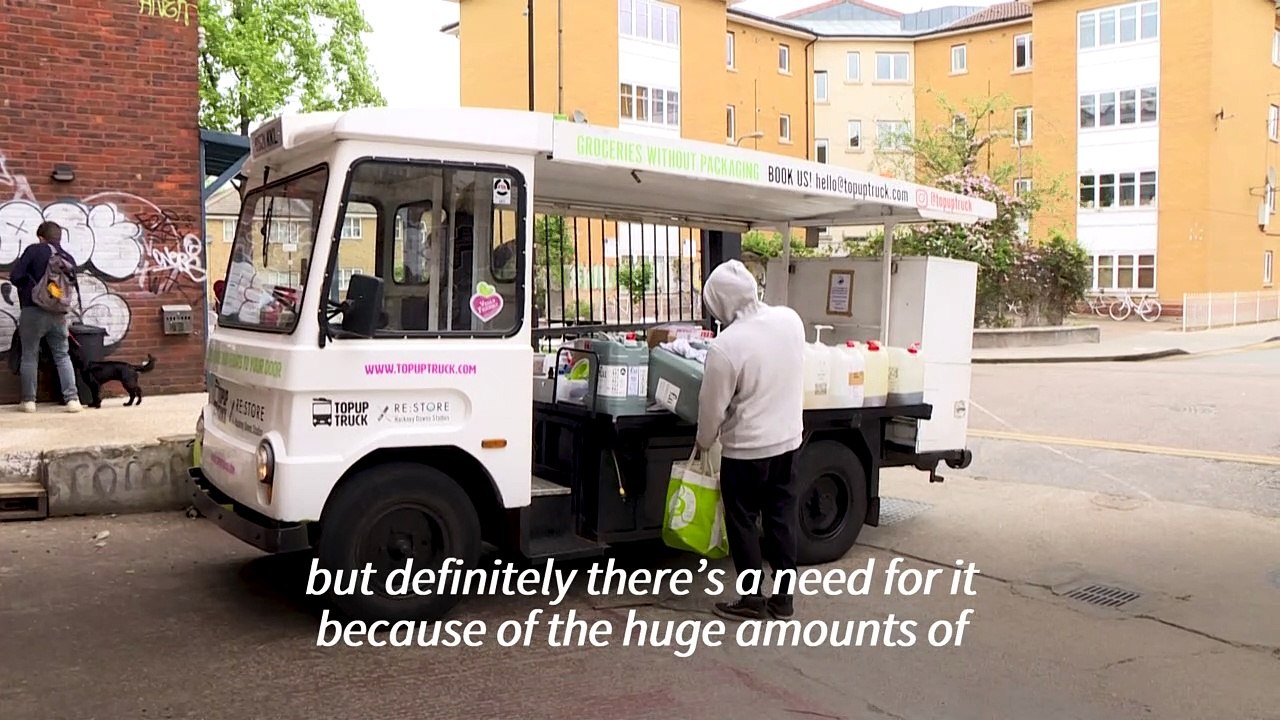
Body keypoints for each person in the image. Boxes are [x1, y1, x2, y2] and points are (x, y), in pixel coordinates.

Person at [695, 258, 806, 621]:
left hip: (746, 451)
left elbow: (712, 409)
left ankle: (751, 599)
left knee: (742, 520)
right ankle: (784, 599)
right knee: (781, 517)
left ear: (721, 302)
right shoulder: (790, 320)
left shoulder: (726, 347)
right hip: (789, 441)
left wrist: (704, 441)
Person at [9, 220, 82, 413]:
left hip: (33, 310)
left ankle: (29, 401)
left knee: (29, 355)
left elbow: (15, 276)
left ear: (41, 237)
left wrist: (29, 286)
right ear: (59, 237)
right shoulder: (67, 257)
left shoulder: (34, 250)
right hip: (58, 313)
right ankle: (72, 399)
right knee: (62, 355)